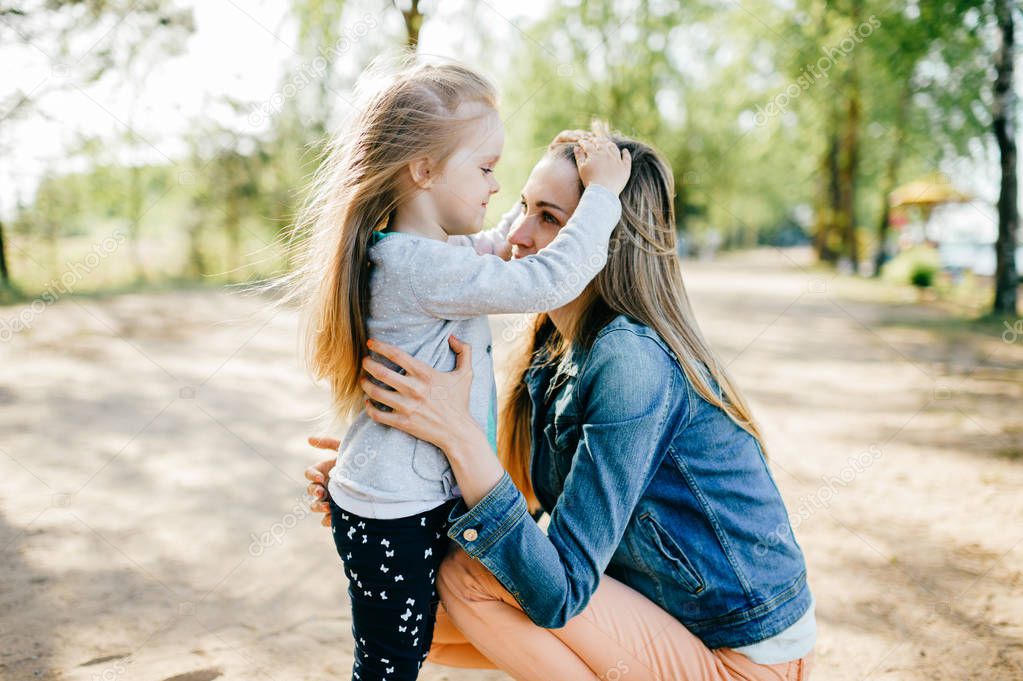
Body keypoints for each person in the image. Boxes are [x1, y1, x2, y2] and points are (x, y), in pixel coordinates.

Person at [306, 126, 816, 680]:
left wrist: (457, 435)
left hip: (741, 659)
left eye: (550, 218)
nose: (519, 235)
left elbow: (560, 589)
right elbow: (514, 518)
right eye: (524, 207)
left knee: (468, 580)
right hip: (664, 622)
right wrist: (393, 481)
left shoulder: (630, 360)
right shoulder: (553, 347)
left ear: (602, 236)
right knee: (412, 614)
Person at [282, 57, 631, 681]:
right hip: (399, 513)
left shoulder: (418, 254)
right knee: (390, 664)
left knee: (403, 649)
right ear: (422, 170)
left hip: (406, 501)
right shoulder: (423, 269)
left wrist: (516, 222)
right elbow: (547, 276)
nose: (496, 187)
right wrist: (600, 197)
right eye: (487, 168)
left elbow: (491, 244)